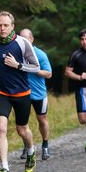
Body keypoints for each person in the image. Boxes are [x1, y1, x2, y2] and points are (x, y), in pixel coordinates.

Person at [0, 11, 40, 172]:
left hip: (22, 93)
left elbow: (35, 67)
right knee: (1, 128)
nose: (2, 28)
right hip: (2, 92)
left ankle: (30, 151)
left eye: (6, 25)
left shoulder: (22, 44)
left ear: (12, 26)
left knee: (22, 130)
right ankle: (5, 168)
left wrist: (18, 65)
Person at [19, 28, 52, 160]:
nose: (23, 42)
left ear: (32, 39)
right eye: (21, 39)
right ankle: (27, 146)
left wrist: (35, 69)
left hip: (39, 94)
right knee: (22, 123)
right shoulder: (17, 54)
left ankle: (45, 145)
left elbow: (48, 74)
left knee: (42, 119)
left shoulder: (40, 54)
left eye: (26, 39)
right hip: (22, 93)